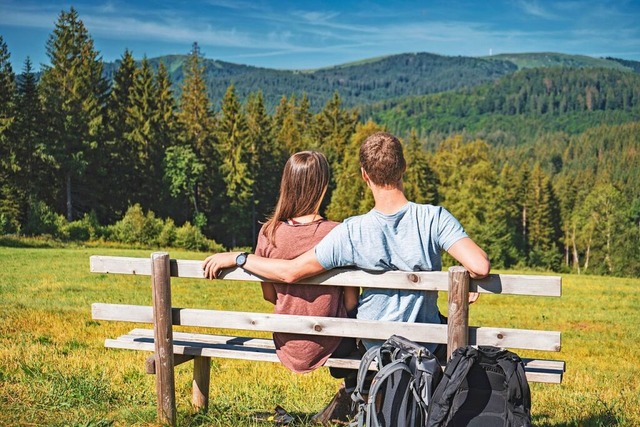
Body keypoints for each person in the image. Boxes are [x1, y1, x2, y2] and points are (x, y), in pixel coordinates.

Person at [203, 132, 490, 421]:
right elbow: (480, 265)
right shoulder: (434, 218)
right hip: (425, 341)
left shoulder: (351, 231)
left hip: (374, 346)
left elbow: (290, 272)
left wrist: (240, 258)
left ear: (364, 175)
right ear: (404, 167)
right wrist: (465, 276)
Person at [245, 150, 360, 424]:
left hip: (286, 339)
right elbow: (351, 303)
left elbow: (268, 295)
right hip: (333, 343)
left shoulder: (268, 232)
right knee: (366, 335)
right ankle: (354, 399)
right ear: (322, 186)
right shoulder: (338, 232)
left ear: (287, 183)